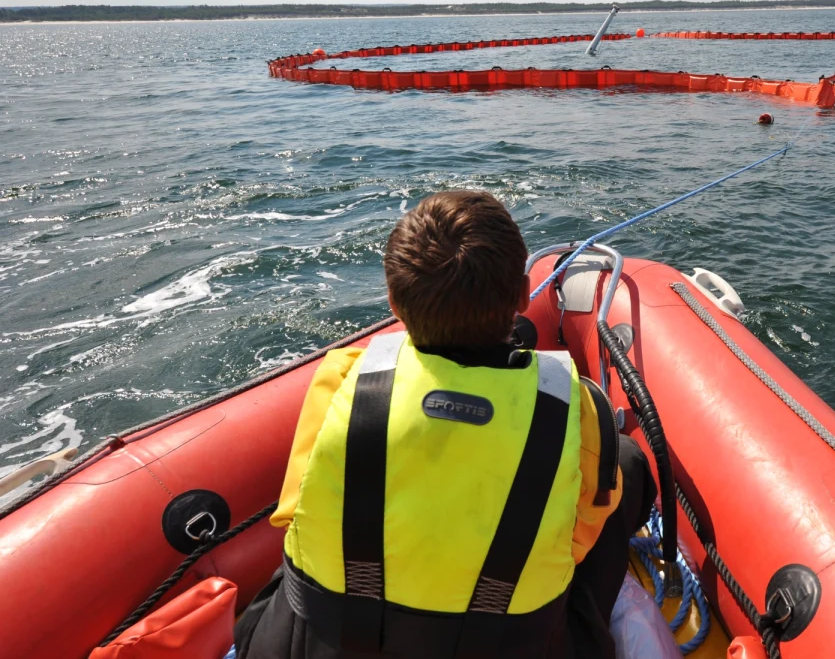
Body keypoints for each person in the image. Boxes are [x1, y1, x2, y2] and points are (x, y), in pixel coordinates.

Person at [235, 190, 656, 659]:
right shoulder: (577, 409)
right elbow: (578, 542)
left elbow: (294, 512)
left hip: (320, 641)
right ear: (523, 295)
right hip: (502, 643)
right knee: (625, 461)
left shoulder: (340, 381)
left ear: (394, 303)